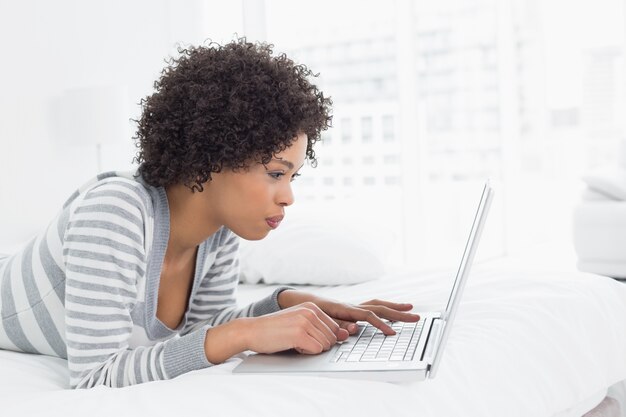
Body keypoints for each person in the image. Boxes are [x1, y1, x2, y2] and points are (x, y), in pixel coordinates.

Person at [0, 38, 419, 389]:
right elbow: (94, 377)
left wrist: (286, 304)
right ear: (212, 156)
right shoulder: (115, 213)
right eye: (275, 173)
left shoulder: (218, 231)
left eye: (293, 177)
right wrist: (245, 334)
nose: (288, 197)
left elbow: (199, 332)